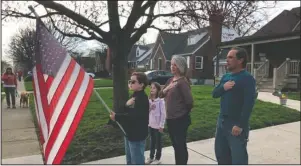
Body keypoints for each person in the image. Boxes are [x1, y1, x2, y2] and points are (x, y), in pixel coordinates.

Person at [212, 47, 256, 165]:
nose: (227, 60)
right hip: (221, 123)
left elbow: (249, 104)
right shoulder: (226, 77)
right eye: (227, 58)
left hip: (235, 126)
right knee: (221, 156)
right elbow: (214, 94)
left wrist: (240, 125)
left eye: (231, 57)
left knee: (238, 160)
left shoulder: (247, 79)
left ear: (240, 60)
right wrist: (223, 87)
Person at [160, 55, 193, 165]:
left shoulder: (182, 82)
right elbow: (160, 95)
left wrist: (182, 114)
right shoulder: (170, 80)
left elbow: (189, 102)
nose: (172, 67)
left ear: (180, 66)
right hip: (170, 118)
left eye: (175, 65)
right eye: (171, 64)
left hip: (179, 119)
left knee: (180, 146)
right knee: (175, 145)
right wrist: (167, 89)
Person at [110, 72, 149, 165]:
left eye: (133, 81)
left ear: (141, 84)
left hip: (137, 136)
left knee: (137, 161)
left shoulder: (142, 99)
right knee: (129, 161)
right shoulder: (134, 96)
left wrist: (117, 117)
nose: (130, 83)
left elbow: (134, 117)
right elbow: (127, 111)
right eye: (129, 81)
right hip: (129, 133)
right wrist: (126, 105)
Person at [145, 82, 166, 165]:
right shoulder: (149, 100)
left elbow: (163, 114)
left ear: (157, 90)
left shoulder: (160, 101)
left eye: (154, 88)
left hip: (158, 126)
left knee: (158, 142)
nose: (151, 89)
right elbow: (146, 112)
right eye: (151, 88)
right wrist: (150, 108)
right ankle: (151, 157)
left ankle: (157, 158)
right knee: (152, 142)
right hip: (150, 125)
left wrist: (161, 125)